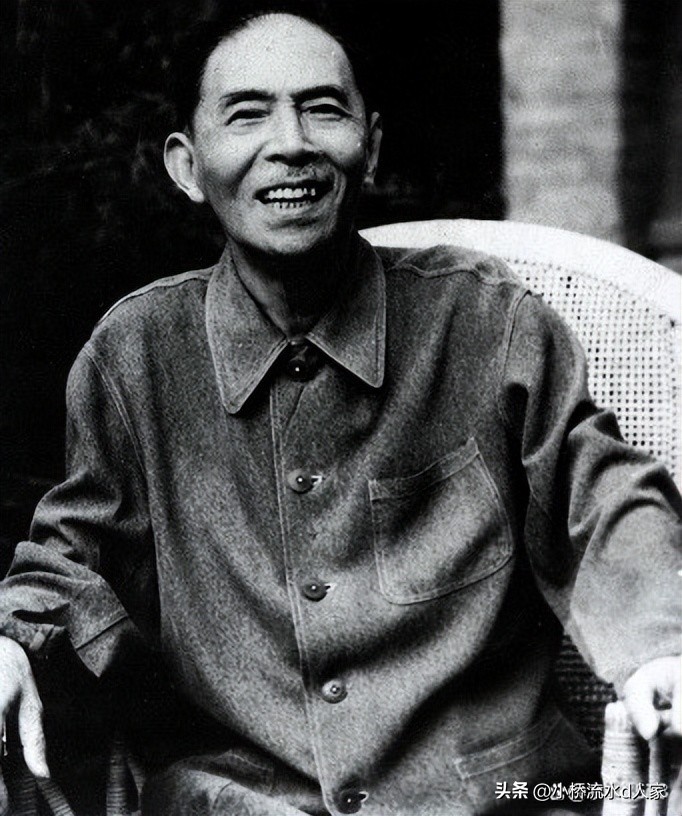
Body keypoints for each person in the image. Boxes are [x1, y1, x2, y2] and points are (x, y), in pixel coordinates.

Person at [0, 3, 680, 815]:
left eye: (322, 108)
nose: (291, 143)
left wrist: (657, 647)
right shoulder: (136, 357)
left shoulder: (484, 321)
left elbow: (599, 494)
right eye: (247, 114)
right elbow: (72, 559)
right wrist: (12, 642)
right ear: (187, 166)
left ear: (372, 147)